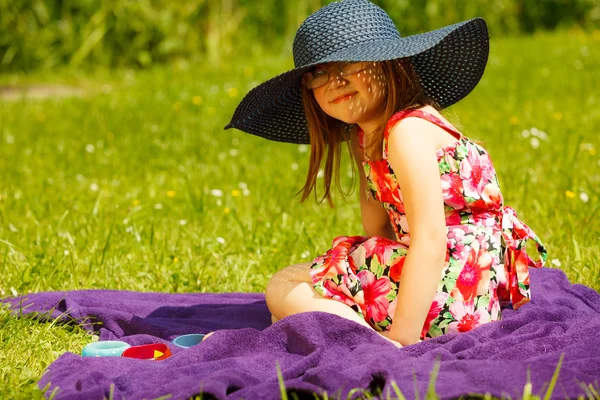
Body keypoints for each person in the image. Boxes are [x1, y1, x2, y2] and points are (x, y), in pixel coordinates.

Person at [223, 0, 547, 348]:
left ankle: (378, 343)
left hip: (446, 292)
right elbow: (377, 227)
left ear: (390, 62)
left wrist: (402, 337)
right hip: (467, 294)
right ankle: (337, 326)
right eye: (318, 72)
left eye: (350, 62)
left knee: (282, 287)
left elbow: (430, 239)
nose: (336, 80)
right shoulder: (374, 136)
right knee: (287, 306)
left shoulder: (406, 131)